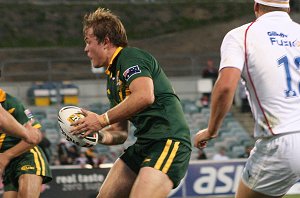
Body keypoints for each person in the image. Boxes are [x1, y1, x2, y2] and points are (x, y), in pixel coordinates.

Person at [71, 7, 191, 198]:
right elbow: (119, 133)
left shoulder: (129, 56)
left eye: (88, 42)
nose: (85, 49)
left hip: (169, 140)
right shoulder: (112, 80)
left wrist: (100, 120)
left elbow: (144, 95)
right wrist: (96, 135)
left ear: (106, 41)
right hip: (144, 144)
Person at [194, 0, 300, 197]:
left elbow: (226, 87)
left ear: (256, 7)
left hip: (282, 140)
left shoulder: (240, 35)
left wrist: (211, 130)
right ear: (289, 9)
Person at [0, 88, 52, 197]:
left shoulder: (12, 103)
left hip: (26, 156)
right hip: (7, 164)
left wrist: (6, 156)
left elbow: (35, 136)